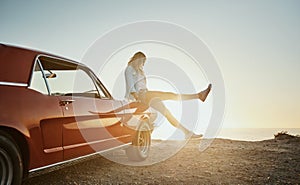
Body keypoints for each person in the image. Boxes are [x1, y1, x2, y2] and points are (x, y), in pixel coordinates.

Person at [125, 51, 212, 139]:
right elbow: (131, 87)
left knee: (167, 113)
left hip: (146, 95)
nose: (143, 64)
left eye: (144, 62)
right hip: (140, 96)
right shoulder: (129, 69)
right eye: (142, 61)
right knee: (169, 95)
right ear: (137, 59)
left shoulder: (140, 71)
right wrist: (137, 99)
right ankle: (198, 96)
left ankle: (187, 133)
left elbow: (142, 85)